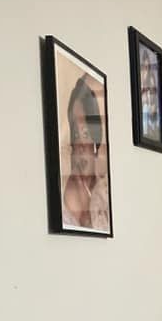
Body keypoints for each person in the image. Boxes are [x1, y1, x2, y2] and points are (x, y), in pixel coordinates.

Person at [62, 74, 109, 232]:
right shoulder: (64, 194)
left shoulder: (104, 192)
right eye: (76, 134)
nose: (80, 146)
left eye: (86, 134)